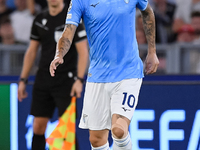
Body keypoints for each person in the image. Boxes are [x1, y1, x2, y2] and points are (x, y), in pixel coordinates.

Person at [50, 0, 159, 149]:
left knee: (119, 130)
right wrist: (59, 54)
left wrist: (152, 51)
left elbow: (147, 11)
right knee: (96, 140)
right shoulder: (80, 1)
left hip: (128, 71)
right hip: (97, 75)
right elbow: (68, 31)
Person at [17, 0, 88, 149]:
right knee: (38, 126)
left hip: (66, 81)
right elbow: (31, 51)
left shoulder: (71, 18)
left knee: (67, 128)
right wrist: (23, 79)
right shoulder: (40, 19)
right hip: (43, 78)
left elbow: (83, 52)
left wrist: (79, 80)